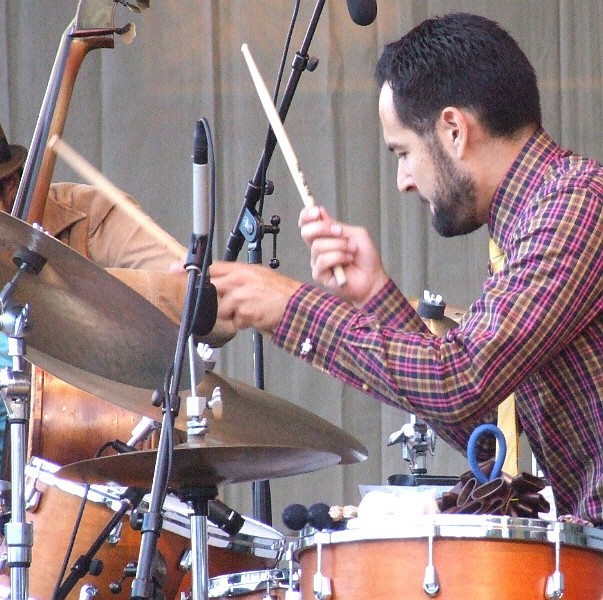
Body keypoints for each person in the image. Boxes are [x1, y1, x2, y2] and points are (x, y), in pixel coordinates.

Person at [210, 13, 603, 527]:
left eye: (403, 153)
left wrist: (288, 308)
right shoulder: (534, 217)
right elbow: (482, 430)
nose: (403, 181)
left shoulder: (574, 208)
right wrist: (376, 297)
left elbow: (457, 378)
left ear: (454, 129)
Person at [0, 122, 233, 461]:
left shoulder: (90, 216)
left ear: (10, 186)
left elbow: (215, 307)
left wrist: (58, 291)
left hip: (71, 483)